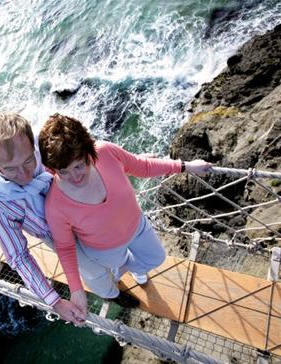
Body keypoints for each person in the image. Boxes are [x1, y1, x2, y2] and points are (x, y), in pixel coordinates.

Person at [38, 113, 212, 321]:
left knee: (156, 257)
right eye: (63, 172)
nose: (74, 177)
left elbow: (143, 166)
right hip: (103, 250)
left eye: (78, 166)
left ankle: (127, 270)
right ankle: (115, 292)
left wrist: (185, 166)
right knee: (109, 279)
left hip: (137, 227)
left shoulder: (105, 152)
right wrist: (76, 290)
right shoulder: (55, 204)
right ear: (51, 169)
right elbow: (65, 248)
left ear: (88, 150)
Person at [0, 112, 85, 325]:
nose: (25, 174)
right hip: (60, 239)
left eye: (28, 161)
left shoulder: (44, 145)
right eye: (10, 169)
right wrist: (55, 301)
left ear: (32, 142)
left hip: (85, 210)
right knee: (94, 272)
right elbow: (18, 256)